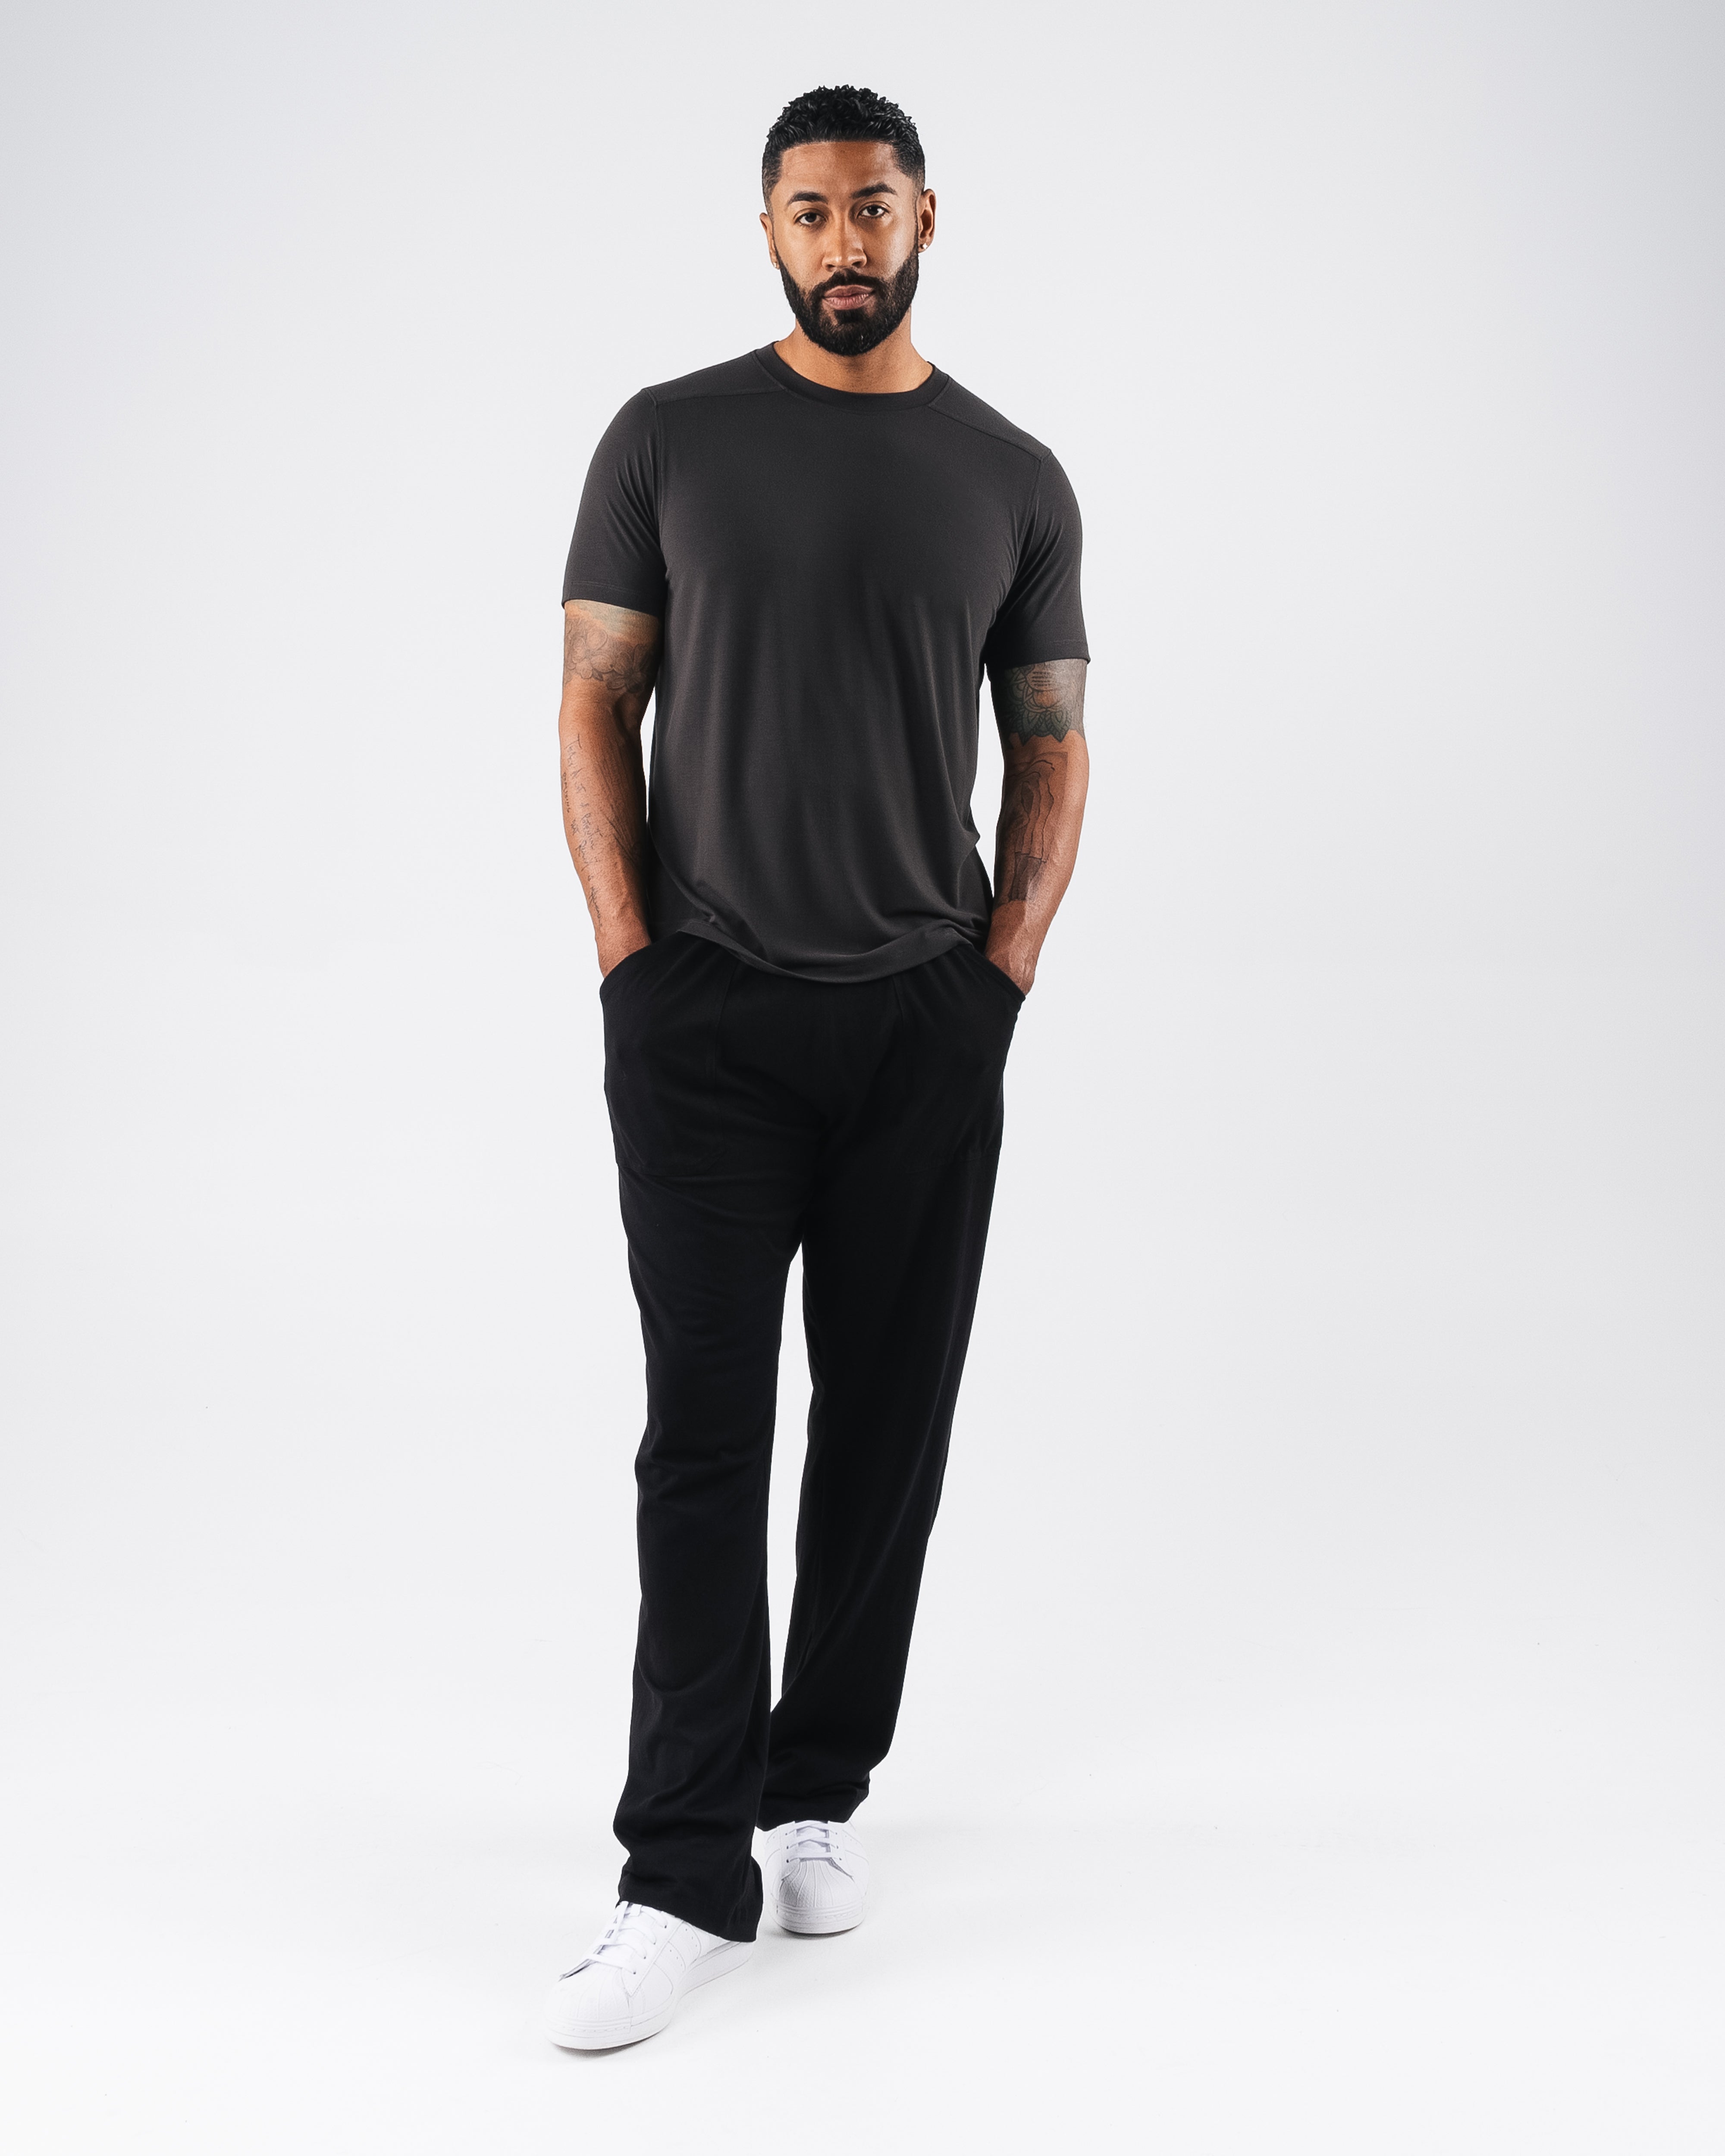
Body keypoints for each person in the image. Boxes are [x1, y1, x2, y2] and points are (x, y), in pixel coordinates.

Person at [545, 83, 1090, 2050]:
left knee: (885, 1425)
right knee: (702, 1434)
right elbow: (595, 697)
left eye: (871, 209)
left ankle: (811, 1790)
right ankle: (678, 1870)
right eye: (808, 212)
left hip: (922, 1020)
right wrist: (630, 962)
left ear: (925, 216)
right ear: (766, 227)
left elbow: (1051, 740)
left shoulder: (1014, 475)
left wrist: (996, 979)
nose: (842, 243)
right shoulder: (666, 437)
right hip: (701, 1018)